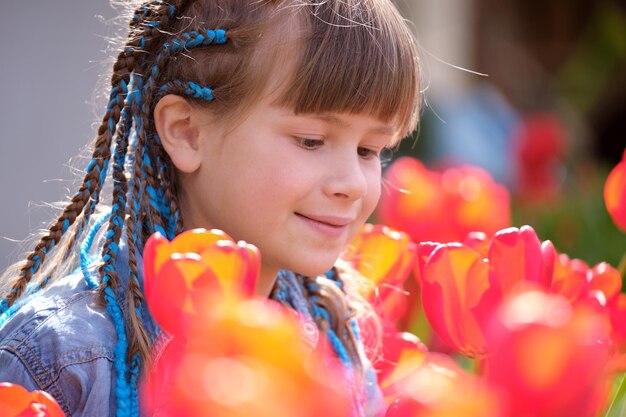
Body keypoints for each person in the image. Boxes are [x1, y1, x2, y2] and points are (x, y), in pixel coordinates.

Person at [0, 1, 421, 416]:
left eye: (370, 150)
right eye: (311, 140)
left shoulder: (337, 333)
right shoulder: (64, 358)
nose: (351, 183)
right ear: (186, 133)